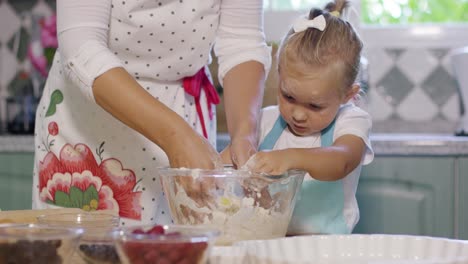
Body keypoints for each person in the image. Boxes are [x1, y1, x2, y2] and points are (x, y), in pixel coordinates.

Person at [32, 0, 271, 226]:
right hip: (91, 126)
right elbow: (81, 46)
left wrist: (244, 135)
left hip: (186, 118)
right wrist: (175, 136)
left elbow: (242, 42)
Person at [222, 0, 374, 235]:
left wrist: (291, 158)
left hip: (327, 251)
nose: (298, 114)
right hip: (269, 243)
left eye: (315, 105)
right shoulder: (266, 121)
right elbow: (227, 162)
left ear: (348, 95)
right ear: (279, 76)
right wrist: (212, 169)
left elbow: (341, 161)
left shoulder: (351, 123)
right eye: (288, 96)